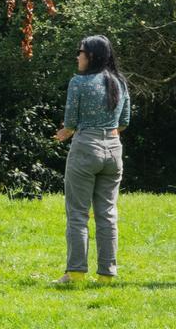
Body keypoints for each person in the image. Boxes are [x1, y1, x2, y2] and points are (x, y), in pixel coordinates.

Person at [53, 35, 130, 284]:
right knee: (107, 213)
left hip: (86, 147)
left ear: (92, 56)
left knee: (77, 213)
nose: (78, 56)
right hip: (113, 148)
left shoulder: (79, 83)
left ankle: (75, 272)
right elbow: (125, 121)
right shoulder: (120, 82)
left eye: (81, 52)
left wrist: (69, 131)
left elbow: (72, 121)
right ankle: (107, 274)